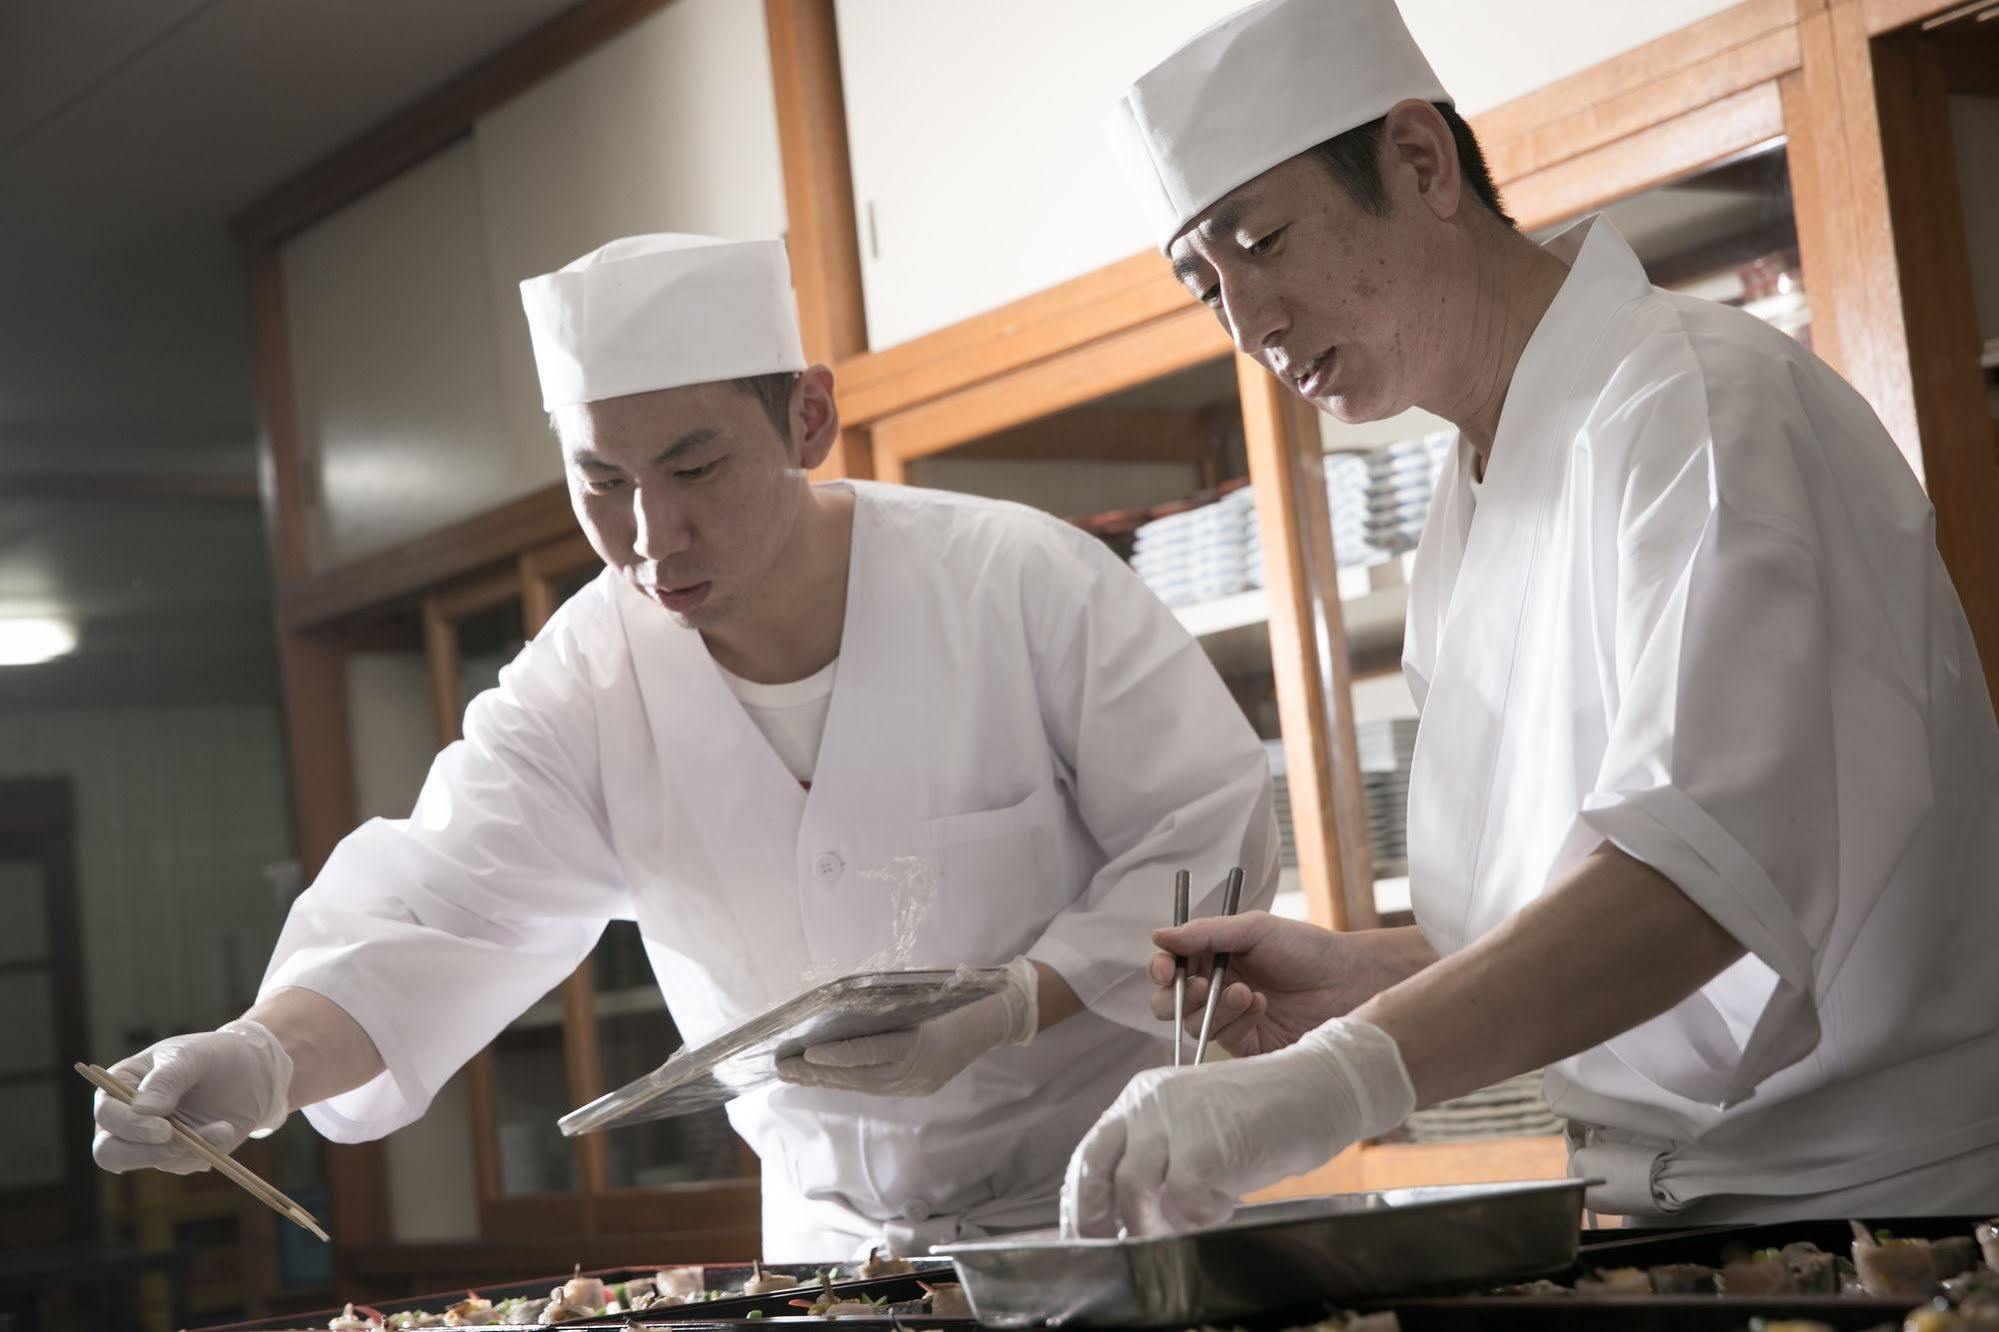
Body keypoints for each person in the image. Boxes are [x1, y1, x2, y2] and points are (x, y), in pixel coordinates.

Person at [91, 233, 1279, 1258]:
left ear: (806, 417)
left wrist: (1019, 1002)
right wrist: (260, 1059)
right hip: (828, 1254)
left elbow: (1205, 839)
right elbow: (438, 914)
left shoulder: (1016, 584)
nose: (652, 536)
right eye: (599, 481)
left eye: (695, 466)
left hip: (1103, 1209)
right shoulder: (588, 678)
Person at [1064, 0, 1999, 1237]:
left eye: (1265, 240)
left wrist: (1336, 1079)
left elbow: (1704, 879)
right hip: (1647, 1212)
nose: (1250, 323)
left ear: (1419, 161)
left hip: (1883, 1215)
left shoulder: (1703, 407)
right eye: (1205, 285)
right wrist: (1370, 978)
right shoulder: (1468, 505)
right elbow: (1582, 917)